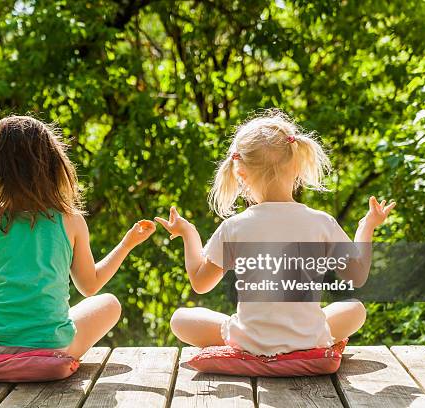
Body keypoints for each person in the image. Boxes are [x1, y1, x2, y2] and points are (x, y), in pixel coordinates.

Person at [0, 115, 155, 359]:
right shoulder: (71, 220)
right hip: (52, 348)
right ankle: (41, 351)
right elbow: (89, 286)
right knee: (109, 303)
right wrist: (127, 243)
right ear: (54, 166)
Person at [156, 109, 395, 356]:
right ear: (298, 163)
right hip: (308, 340)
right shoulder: (322, 222)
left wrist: (188, 232)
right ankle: (298, 339)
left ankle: (254, 343)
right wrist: (366, 227)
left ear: (240, 173)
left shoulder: (235, 226)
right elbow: (357, 276)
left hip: (249, 344)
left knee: (180, 319)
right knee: (356, 309)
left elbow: (200, 282)